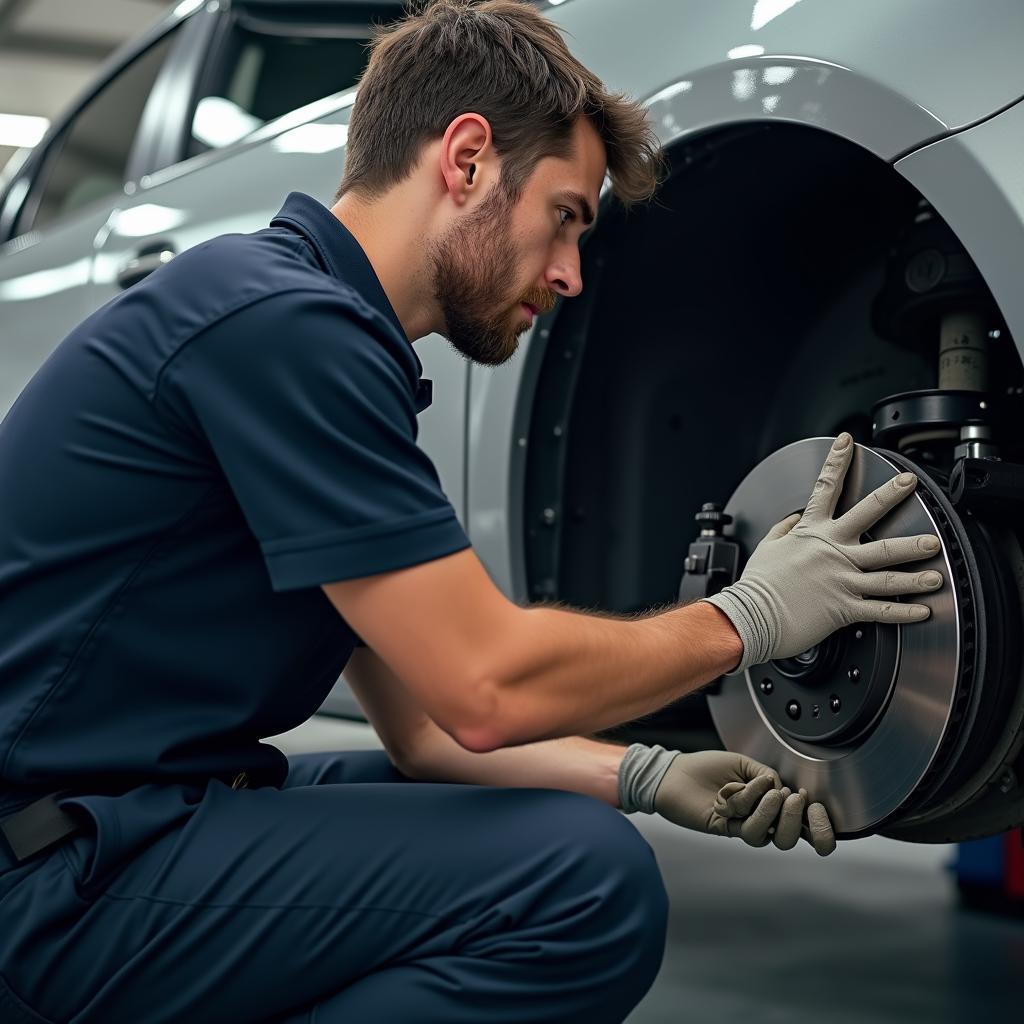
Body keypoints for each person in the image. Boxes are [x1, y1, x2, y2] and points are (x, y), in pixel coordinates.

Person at [0, 1, 944, 1021]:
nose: (572, 274)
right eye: (567, 217)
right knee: (580, 886)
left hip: (114, 815)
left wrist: (645, 773)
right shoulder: (284, 328)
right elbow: (487, 686)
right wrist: (746, 619)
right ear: (465, 160)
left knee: (512, 808)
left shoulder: (303, 327)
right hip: (42, 879)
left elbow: (427, 730)